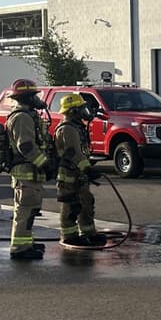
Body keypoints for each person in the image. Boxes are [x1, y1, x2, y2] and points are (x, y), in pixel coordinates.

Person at [5, 79, 52, 260]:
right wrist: (44, 163)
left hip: (31, 172)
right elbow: (26, 146)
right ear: (26, 97)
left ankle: (26, 243)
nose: (37, 99)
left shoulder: (29, 115)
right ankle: (19, 248)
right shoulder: (22, 117)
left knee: (31, 210)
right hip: (25, 172)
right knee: (25, 211)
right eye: (34, 96)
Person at [53, 93, 105, 247]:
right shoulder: (67, 129)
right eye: (82, 108)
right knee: (70, 206)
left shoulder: (76, 127)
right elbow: (72, 152)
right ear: (73, 111)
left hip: (79, 173)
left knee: (86, 203)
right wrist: (87, 168)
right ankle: (69, 236)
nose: (85, 111)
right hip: (68, 175)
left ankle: (88, 233)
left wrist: (85, 169)